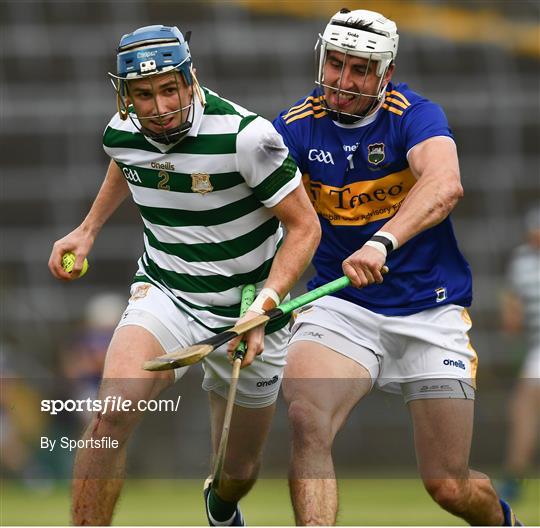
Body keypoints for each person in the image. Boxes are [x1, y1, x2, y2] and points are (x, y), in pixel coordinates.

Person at [48, 24, 320, 526]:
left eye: (169, 88)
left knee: (237, 470)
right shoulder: (122, 130)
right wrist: (87, 230)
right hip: (167, 293)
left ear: (191, 80)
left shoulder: (248, 137)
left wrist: (264, 306)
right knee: (113, 413)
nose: (158, 106)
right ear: (126, 96)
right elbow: (126, 162)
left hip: (248, 309)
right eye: (143, 95)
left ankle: (220, 507)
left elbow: (305, 228)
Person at [273, 8, 522, 526]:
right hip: (341, 307)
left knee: (449, 486)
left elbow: (445, 183)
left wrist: (381, 243)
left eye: (360, 69)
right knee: (306, 418)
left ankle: (506, 522)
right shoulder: (294, 129)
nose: (343, 80)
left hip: (429, 312)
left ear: (385, 74)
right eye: (335, 63)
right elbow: (267, 216)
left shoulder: (415, 114)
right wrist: (262, 292)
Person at [497, 204, 540, 501]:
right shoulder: (522, 260)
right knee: (523, 408)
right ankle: (514, 476)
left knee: (524, 406)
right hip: (536, 346)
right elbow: (513, 313)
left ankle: (514, 477)